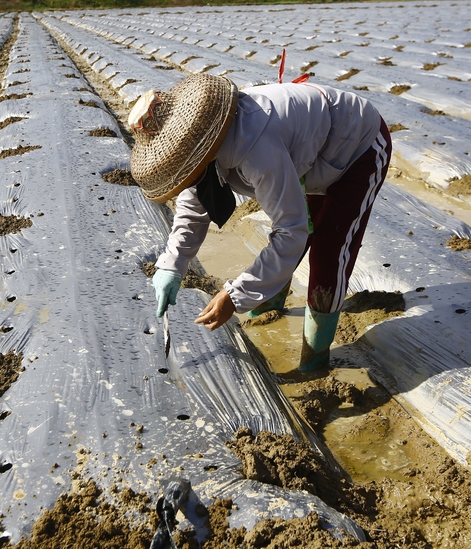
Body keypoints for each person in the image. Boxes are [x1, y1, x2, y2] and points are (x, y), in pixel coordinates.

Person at [129, 74, 392, 372]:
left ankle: (315, 359)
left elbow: (290, 230)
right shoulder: (201, 144)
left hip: (357, 147)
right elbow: (193, 207)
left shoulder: (258, 150)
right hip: (308, 156)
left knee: (329, 251)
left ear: (200, 151)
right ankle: (270, 300)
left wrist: (235, 295)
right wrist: (171, 265)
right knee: (299, 229)